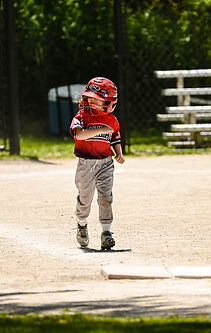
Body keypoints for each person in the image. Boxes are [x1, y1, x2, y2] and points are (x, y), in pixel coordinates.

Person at [69, 77, 124, 250]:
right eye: (88, 98)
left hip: (106, 163)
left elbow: (115, 138)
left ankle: (106, 232)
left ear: (108, 102)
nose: (89, 101)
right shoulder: (81, 117)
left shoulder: (112, 121)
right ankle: (82, 224)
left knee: (106, 197)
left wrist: (119, 153)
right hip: (86, 164)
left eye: (95, 99)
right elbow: (79, 135)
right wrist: (100, 130)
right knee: (85, 200)